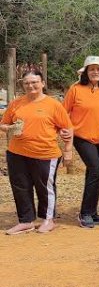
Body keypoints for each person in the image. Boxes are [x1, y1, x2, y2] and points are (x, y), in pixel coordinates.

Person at [2, 70, 73, 234]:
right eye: (27, 83)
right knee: (20, 187)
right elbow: (4, 124)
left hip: (45, 153)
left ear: (42, 83)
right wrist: (11, 128)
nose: (30, 86)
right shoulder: (16, 104)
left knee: (45, 188)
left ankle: (48, 219)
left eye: (34, 82)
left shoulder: (53, 104)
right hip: (17, 153)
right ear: (23, 85)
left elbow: (67, 127)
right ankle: (26, 221)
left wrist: (68, 150)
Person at [62, 56, 99, 228]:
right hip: (81, 136)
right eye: (92, 69)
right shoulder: (75, 89)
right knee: (96, 169)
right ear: (86, 72)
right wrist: (66, 132)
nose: (96, 72)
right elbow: (63, 111)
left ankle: (92, 212)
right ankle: (85, 213)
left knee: (95, 172)